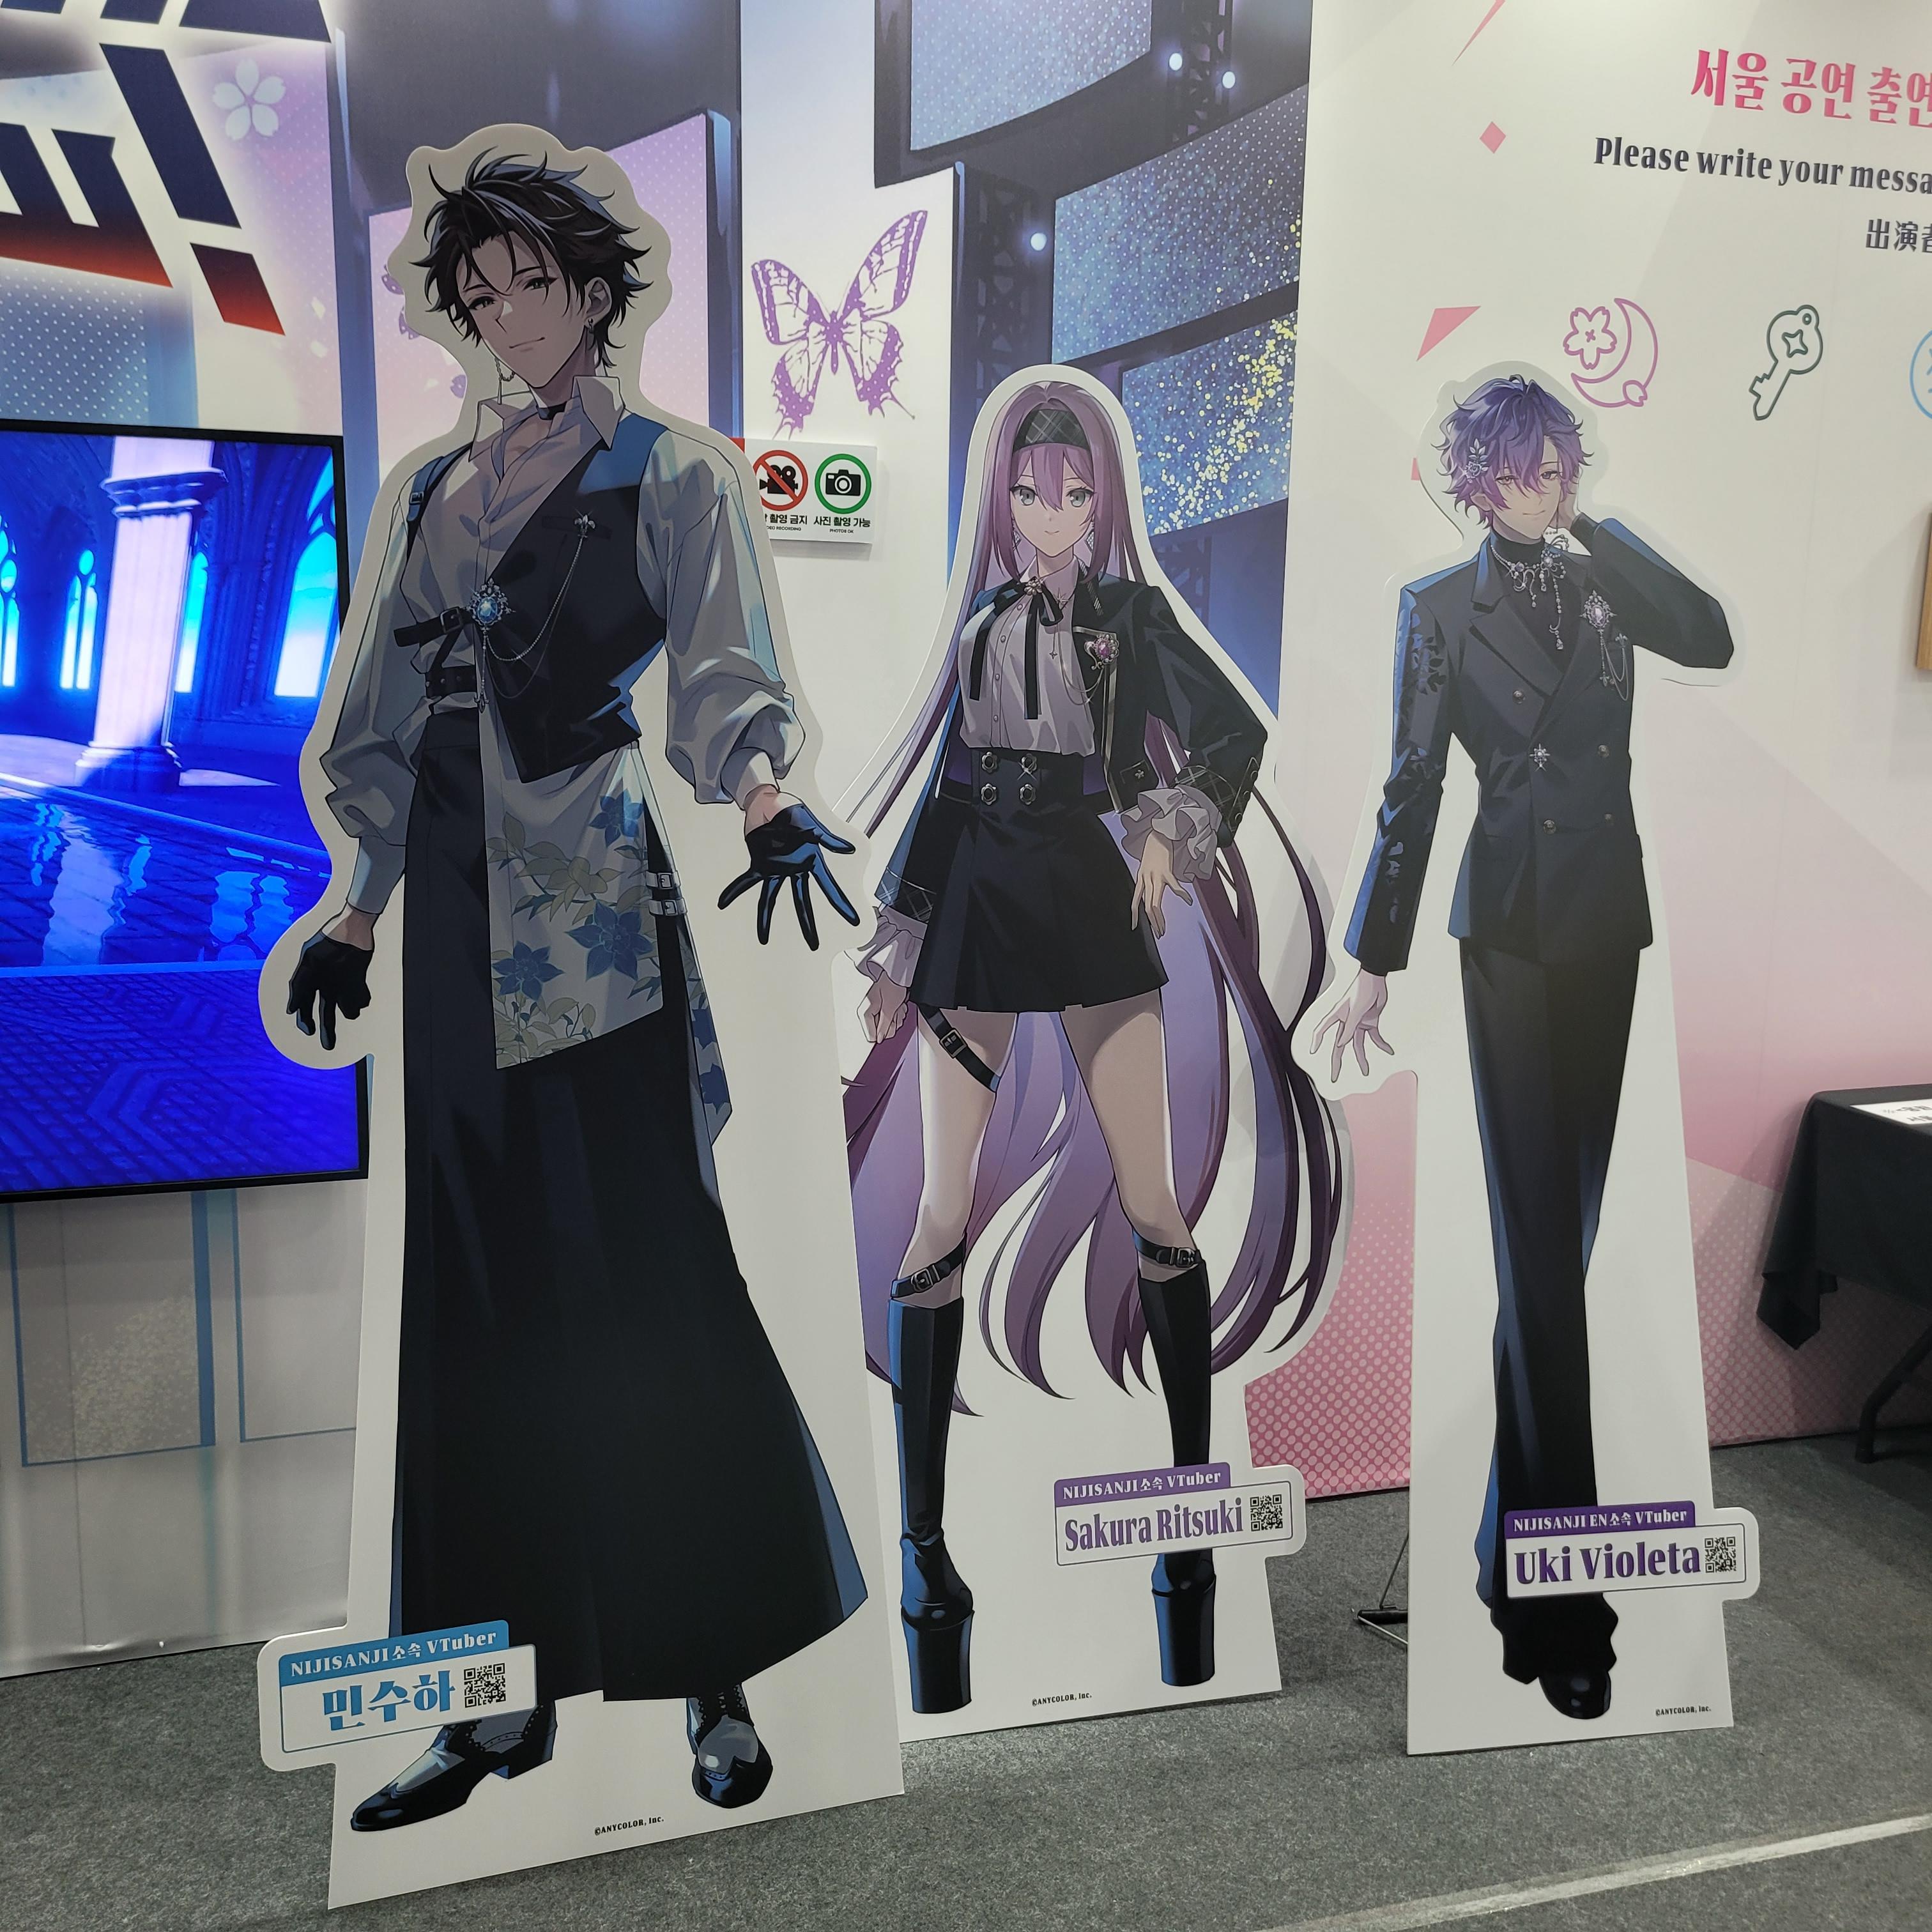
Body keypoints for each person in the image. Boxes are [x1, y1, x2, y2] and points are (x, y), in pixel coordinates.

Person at [284, 150, 864, 1827]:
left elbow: (726, 670)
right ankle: (495, 1701)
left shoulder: (671, 470)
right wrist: (355, 914)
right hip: (455, 923)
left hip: (596, 912)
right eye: (477, 295)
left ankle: (714, 1672)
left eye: (528, 284)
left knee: (648, 1288)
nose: (503, 319)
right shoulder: (425, 493)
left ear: (597, 289)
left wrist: (766, 797)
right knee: (478, 1315)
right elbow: (382, 723)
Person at [845, 376, 1340, 1712]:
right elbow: (948, 792)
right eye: (1029, 490)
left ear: (1102, 497)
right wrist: (900, 943)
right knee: (939, 1213)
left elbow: (1233, 734)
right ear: (1001, 498)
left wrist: (1172, 830)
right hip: (979, 905)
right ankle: (926, 1551)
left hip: (1088, 888)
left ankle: (1189, 1532)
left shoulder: (1133, 614)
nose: (1050, 511)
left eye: (1071, 492)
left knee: (1154, 1201)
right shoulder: (981, 624)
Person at [1314, 374, 1733, 1721]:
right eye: (1527, 472)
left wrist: (1600, 531)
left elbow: (1712, 639)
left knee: (1561, 1256)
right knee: (1539, 1262)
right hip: (1505, 940)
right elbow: (1410, 786)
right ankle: (1567, 1608)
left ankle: (1511, 1559)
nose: (1550, 489)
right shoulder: (1439, 608)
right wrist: (1373, 962)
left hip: (1607, 929)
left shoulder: (1606, 584)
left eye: (1563, 467)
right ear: (1478, 482)